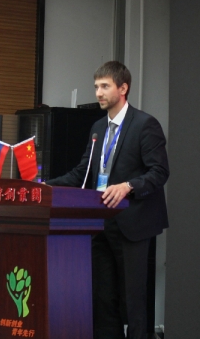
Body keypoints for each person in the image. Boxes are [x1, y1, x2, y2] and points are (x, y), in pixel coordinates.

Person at [46, 61, 170, 339]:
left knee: (133, 298)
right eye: (96, 87)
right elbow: (83, 172)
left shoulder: (145, 124)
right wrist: (45, 186)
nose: (98, 93)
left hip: (132, 222)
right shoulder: (98, 128)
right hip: (99, 222)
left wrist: (128, 186)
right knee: (102, 297)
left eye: (105, 86)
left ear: (123, 88)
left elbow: (159, 172)